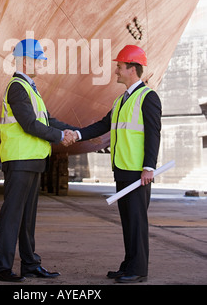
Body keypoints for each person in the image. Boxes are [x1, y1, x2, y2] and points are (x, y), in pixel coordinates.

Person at [71, 45, 162, 283]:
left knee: (137, 220)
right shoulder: (121, 100)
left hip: (137, 171)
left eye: (119, 67)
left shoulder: (148, 97)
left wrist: (149, 167)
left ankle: (139, 269)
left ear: (132, 69)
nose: (116, 71)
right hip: (122, 169)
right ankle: (129, 264)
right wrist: (78, 134)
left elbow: (154, 134)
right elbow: (103, 125)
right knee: (127, 220)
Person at [0, 38, 77, 282]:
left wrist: (77, 132)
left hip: (32, 161)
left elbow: (47, 120)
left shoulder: (31, 88)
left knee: (27, 218)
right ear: (26, 61)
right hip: (19, 161)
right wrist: (61, 136)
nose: (42, 63)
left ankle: (30, 264)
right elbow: (29, 124)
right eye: (39, 58)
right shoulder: (17, 87)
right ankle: (1, 267)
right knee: (13, 215)